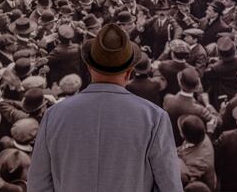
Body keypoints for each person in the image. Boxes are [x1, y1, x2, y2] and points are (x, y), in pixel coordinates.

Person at [28, 24, 182, 191]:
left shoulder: (53, 115)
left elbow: (38, 184)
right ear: (129, 72)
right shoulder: (154, 118)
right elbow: (170, 186)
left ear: (88, 67)